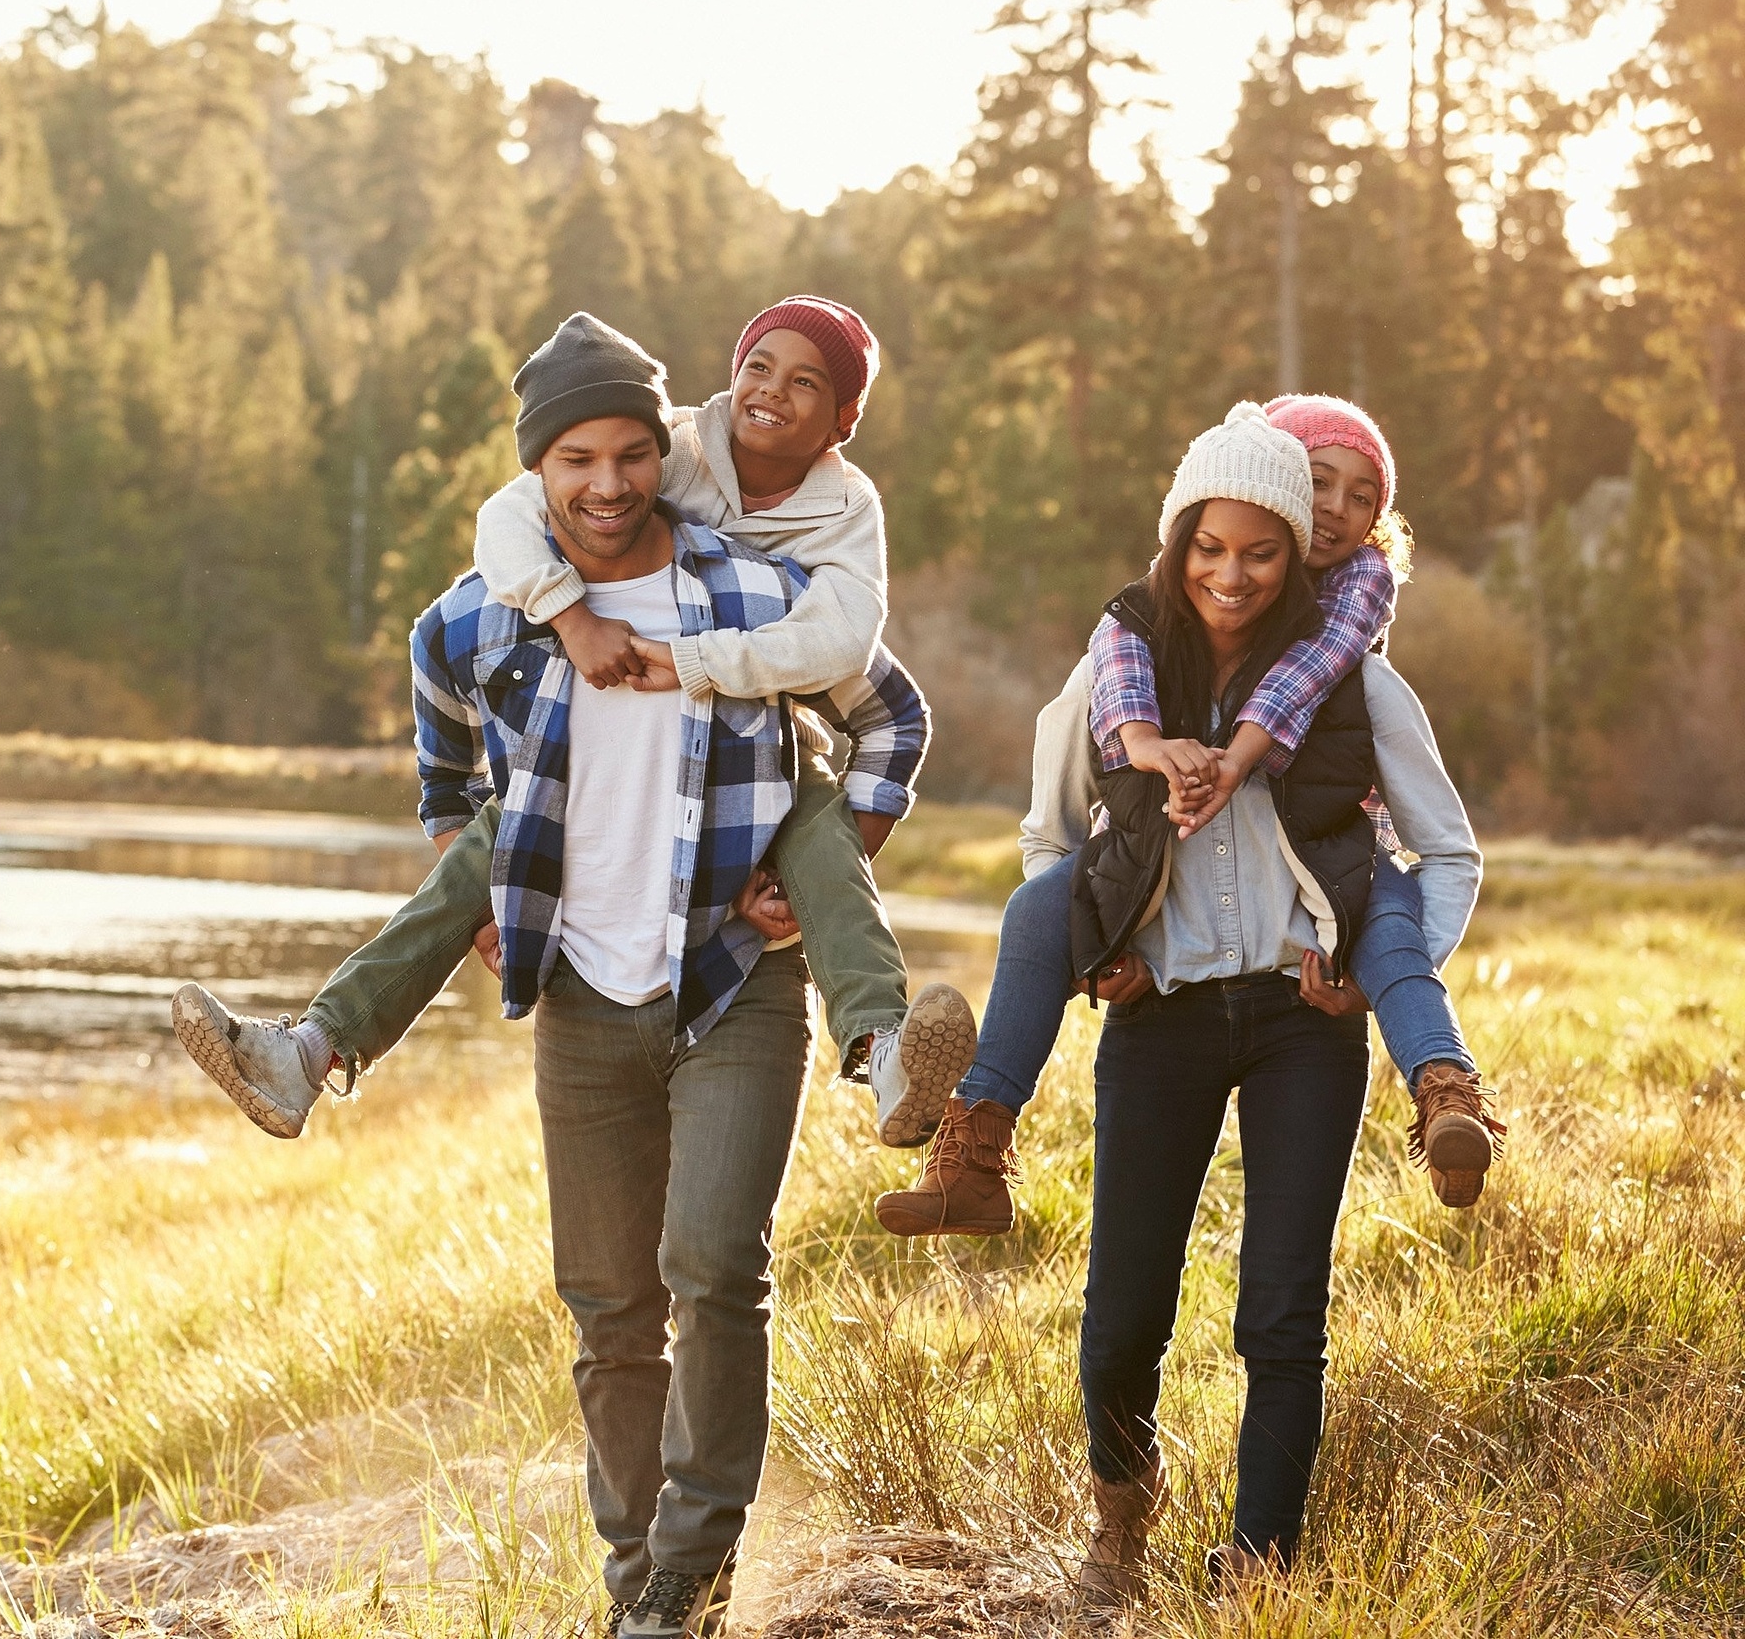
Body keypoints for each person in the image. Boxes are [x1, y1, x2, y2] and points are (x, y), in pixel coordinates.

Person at [220, 314, 929, 1639]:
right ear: (535, 475)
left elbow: (891, 704)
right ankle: (638, 1591)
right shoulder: (503, 599)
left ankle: (696, 1562)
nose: (604, 486)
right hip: (585, 997)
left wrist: (845, 839)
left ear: (663, 455)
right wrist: (460, 846)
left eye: (628, 456)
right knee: (610, 1312)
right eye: (574, 462)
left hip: (732, 978)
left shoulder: (749, 590)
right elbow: (435, 679)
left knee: (714, 1265)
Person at [173, 305, 972, 1153]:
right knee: (489, 843)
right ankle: (310, 1050)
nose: (771, 391)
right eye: (760, 366)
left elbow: (856, 652)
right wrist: (568, 616)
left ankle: (884, 1050)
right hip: (579, 771)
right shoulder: (666, 445)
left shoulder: (840, 517)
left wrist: (814, 855)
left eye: (806, 381)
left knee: (819, 831)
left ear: (844, 419)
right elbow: (509, 519)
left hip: (769, 750)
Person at [1013, 404, 1482, 1601]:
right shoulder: (1118, 672)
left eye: (1265, 547)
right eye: (1214, 547)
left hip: (1298, 1024)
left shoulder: (1356, 686)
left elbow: (1448, 854)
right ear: (1184, 543)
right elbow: (1047, 840)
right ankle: (1121, 1519)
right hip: (1159, 1019)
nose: (1235, 570)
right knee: (1122, 1308)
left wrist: (1373, 970)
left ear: (1292, 556)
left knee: (1281, 1310)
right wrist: (1094, 950)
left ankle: (1261, 1562)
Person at [875, 394, 1503, 1239]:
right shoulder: (1132, 635)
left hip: (1328, 892)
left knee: (1388, 918)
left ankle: (1445, 1088)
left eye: (1363, 498)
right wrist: (1100, 946)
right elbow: (1057, 811)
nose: (1338, 512)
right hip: (1158, 947)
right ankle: (976, 1144)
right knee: (1034, 909)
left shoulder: (1349, 637)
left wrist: (1237, 760)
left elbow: (1328, 700)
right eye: (1319, 484)